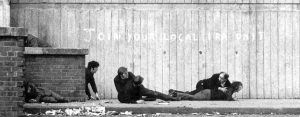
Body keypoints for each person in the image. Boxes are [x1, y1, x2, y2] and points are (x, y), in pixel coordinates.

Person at [114, 67, 180, 104]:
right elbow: (121, 92)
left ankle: (171, 98)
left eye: (127, 72)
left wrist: (144, 91)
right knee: (121, 97)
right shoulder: (116, 80)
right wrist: (135, 102)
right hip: (126, 96)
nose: (127, 74)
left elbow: (137, 83)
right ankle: (142, 98)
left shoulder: (130, 74)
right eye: (125, 73)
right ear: (121, 75)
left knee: (154, 94)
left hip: (136, 90)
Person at [172, 81, 243, 101]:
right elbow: (228, 98)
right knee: (193, 97)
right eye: (240, 87)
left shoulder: (230, 89)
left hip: (208, 93)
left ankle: (177, 94)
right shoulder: (230, 89)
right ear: (237, 86)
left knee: (192, 96)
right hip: (208, 94)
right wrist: (234, 99)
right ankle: (176, 94)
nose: (240, 89)